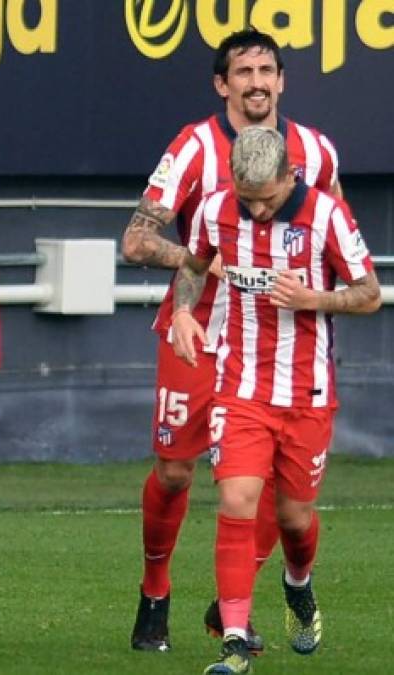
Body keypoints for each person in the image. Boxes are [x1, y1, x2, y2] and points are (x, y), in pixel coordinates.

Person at [121, 28, 342, 652]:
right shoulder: (195, 146)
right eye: (242, 72)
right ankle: (155, 591)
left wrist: (315, 297)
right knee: (172, 471)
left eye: (266, 70)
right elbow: (136, 239)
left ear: (282, 80)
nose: (256, 83)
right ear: (223, 85)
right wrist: (210, 263)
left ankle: (231, 605)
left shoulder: (316, 151)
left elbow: (335, 232)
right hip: (200, 332)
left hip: (278, 346)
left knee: (266, 485)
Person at [171, 125, 380, 674]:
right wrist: (182, 313)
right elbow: (193, 266)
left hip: (307, 393)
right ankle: (235, 641)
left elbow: (370, 294)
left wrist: (315, 297)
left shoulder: (328, 217)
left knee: (293, 516)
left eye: (266, 200)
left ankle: (299, 583)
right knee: (237, 501)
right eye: (248, 201)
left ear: (290, 177)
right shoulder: (216, 210)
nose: (257, 212)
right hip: (239, 387)